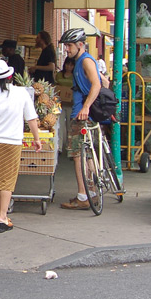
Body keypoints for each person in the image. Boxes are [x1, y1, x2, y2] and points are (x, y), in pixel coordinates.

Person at [0, 59, 42, 233]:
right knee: (7, 181)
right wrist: (37, 139)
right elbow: (31, 119)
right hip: (12, 143)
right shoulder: (21, 93)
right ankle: (2, 217)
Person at [58, 28, 104, 210]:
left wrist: (85, 107)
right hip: (83, 113)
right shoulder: (80, 62)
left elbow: (97, 84)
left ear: (80, 45)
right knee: (86, 155)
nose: (66, 49)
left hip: (82, 114)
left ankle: (83, 196)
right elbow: (103, 81)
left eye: (69, 45)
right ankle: (92, 192)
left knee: (78, 155)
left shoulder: (85, 61)